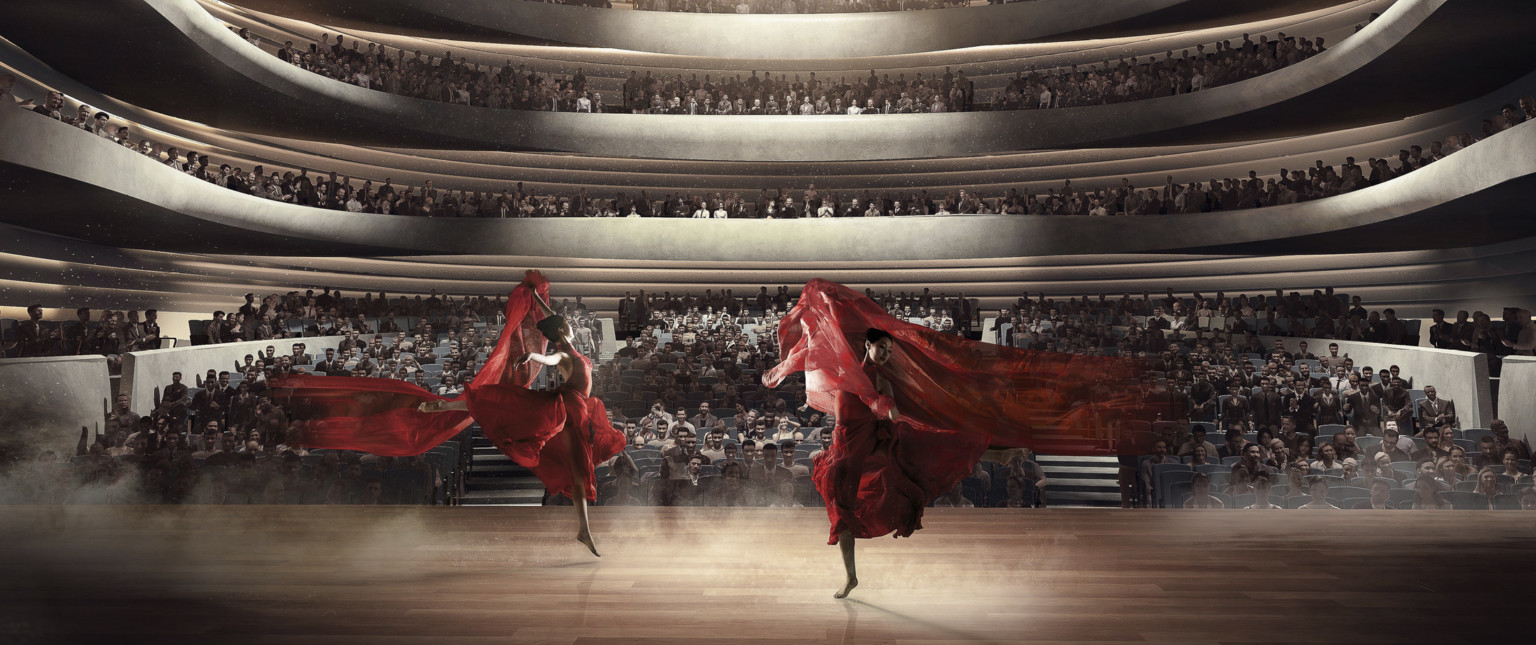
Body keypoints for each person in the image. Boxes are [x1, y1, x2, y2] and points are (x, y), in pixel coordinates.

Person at [762, 279, 1142, 599]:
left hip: (878, 441)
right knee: (841, 513)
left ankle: (1000, 455)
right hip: (849, 449)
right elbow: (833, 344)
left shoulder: (879, 379)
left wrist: (887, 408)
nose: (886, 353)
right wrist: (825, 300)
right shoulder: (847, 369)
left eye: (890, 350)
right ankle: (851, 576)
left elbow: (881, 402)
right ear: (868, 345)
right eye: (882, 348)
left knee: (938, 448)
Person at [274, 271, 623, 556]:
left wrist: (535, 297)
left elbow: (550, 320)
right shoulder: (564, 355)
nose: (571, 327)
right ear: (564, 333)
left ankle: (583, 530)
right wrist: (534, 357)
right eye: (567, 327)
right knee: (571, 465)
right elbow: (548, 353)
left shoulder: (569, 345)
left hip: (574, 409)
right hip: (568, 410)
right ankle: (584, 531)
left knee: (577, 469)